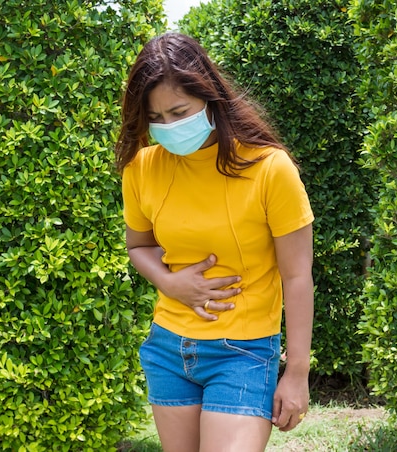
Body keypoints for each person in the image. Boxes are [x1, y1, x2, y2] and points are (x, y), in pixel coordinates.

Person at [115, 33, 314, 452]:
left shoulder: (269, 168)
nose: (169, 127)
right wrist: (170, 283)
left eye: (179, 111)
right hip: (169, 347)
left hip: (242, 353)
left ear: (210, 96)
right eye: (156, 118)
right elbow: (139, 247)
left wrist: (296, 373)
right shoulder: (141, 168)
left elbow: (297, 276)